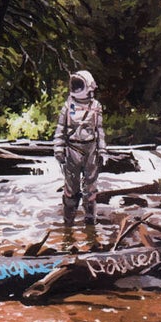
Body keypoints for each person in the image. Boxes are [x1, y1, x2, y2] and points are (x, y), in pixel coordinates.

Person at [53, 69, 105, 251]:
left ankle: (90, 231)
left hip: (90, 150)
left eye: (79, 84)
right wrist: (58, 148)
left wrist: (103, 151)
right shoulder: (67, 106)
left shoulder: (96, 106)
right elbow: (60, 129)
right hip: (72, 150)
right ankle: (68, 231)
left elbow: (99, 130)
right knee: (71, 190)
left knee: (90, 190)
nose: (76, 88)